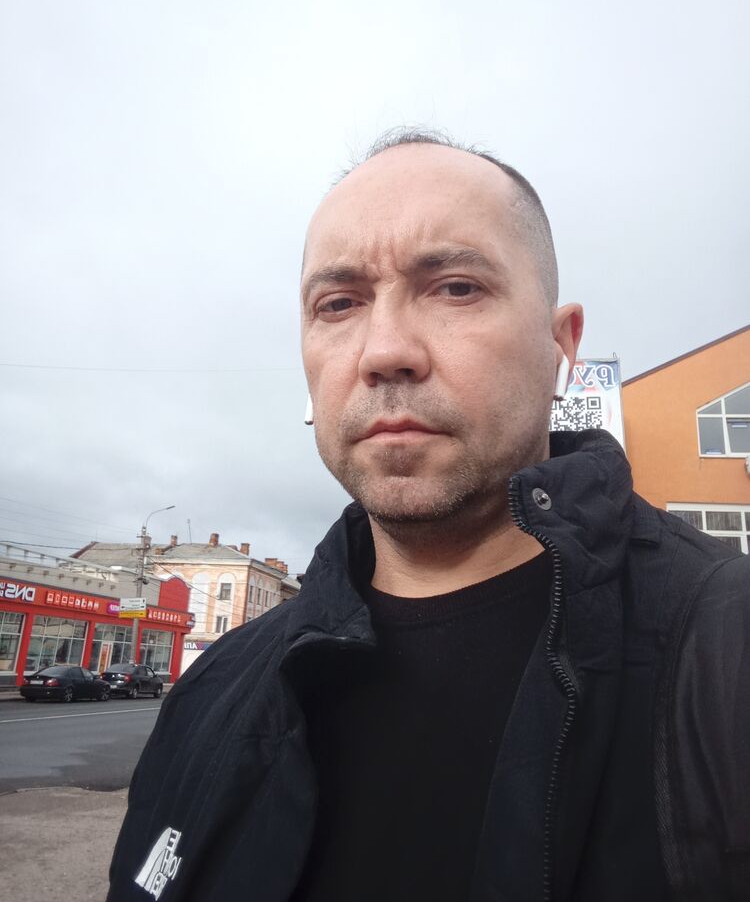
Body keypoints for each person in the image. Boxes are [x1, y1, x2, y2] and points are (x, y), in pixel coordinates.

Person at [108, 130, 750, 902]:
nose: (384, 351)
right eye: (339, 304)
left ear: (560, 347)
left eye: (455, 288)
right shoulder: (217, 689)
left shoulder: (723, 657)